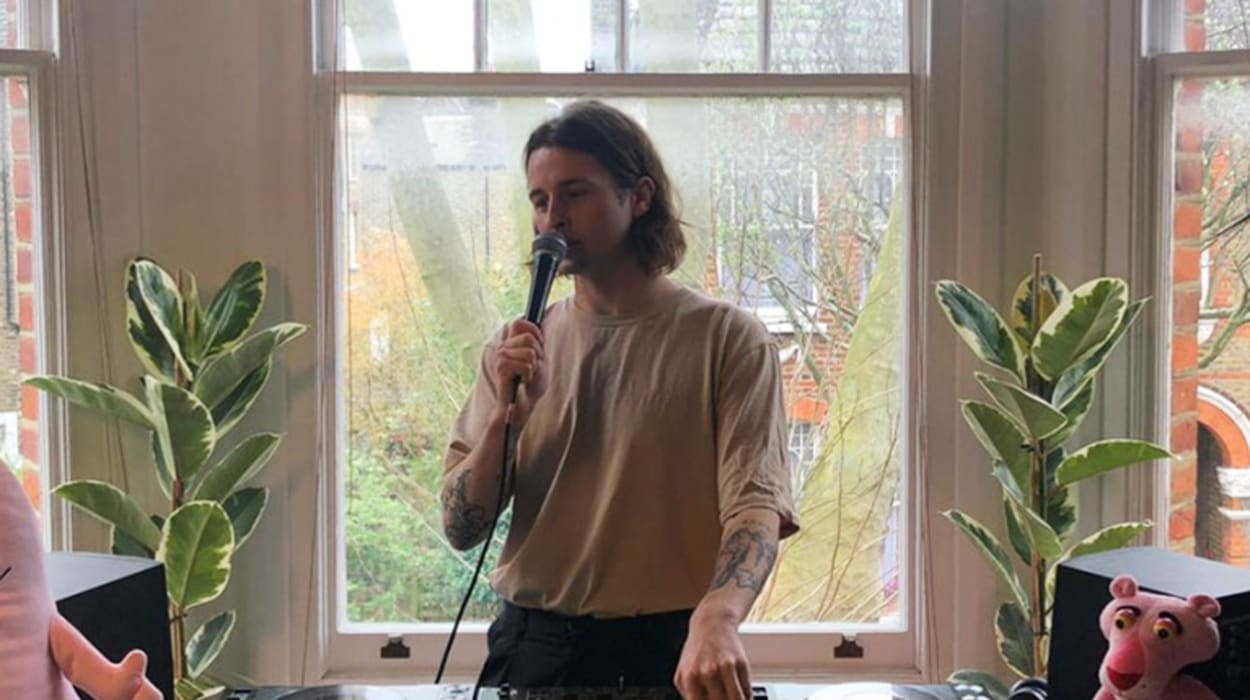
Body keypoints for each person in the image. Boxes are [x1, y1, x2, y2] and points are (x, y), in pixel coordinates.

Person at [440, 99, 799, 700]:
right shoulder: (514, 350)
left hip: (669, 649)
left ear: (639, 197)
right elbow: (460, 528)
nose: (553, 218)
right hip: (534, 652)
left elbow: (755, 507)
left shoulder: (728, 339)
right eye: (539, 200)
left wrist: (719, 616)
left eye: (575, 193)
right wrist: (506, 420)